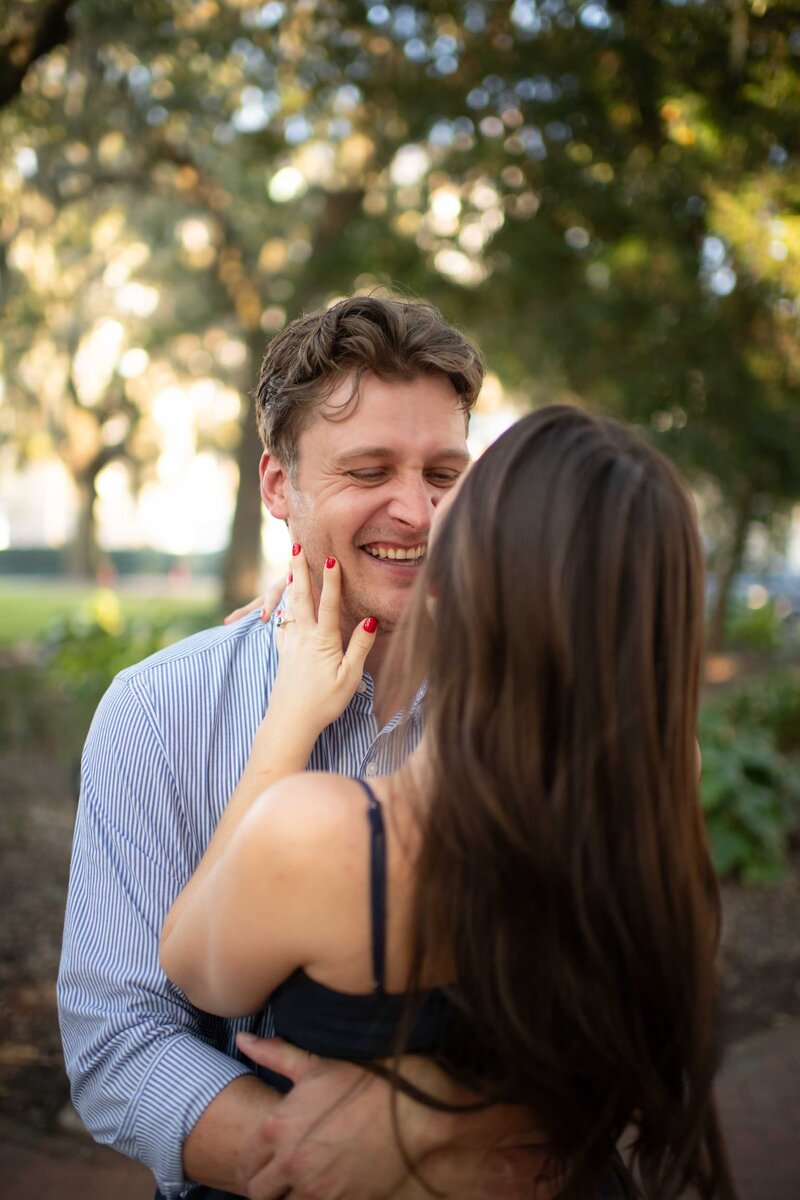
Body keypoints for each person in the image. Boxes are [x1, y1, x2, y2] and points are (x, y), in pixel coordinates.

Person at [159, 405, 738, 1200]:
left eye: (448, 488)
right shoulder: (659, 788)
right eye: (371, 473)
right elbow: (649, 1037)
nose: (419, 516)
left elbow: (192, 969)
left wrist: (287, 721)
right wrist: (458, 1120)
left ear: (461, 584)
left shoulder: (323, 837)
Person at [58, 295, 545, 1200]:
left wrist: (447, 1136)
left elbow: (635, 998)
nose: (418, 509)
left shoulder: (540, 699)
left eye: (443, 472)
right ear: (279, 487)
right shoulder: (158, 712)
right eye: (369, 470)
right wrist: (333, 1156)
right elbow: (118, 1037)